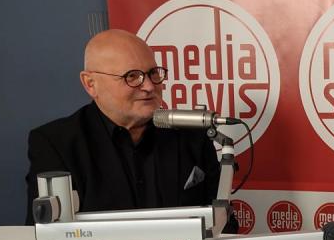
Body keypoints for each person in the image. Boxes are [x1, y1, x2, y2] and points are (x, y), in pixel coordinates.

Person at [25, 29, 231, 229]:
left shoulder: (191, 134)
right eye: (132, 76)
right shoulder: (56, 144)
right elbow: (45, 233)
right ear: (90, 84)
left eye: (153, 73)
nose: (149, 86)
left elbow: (224, 225)